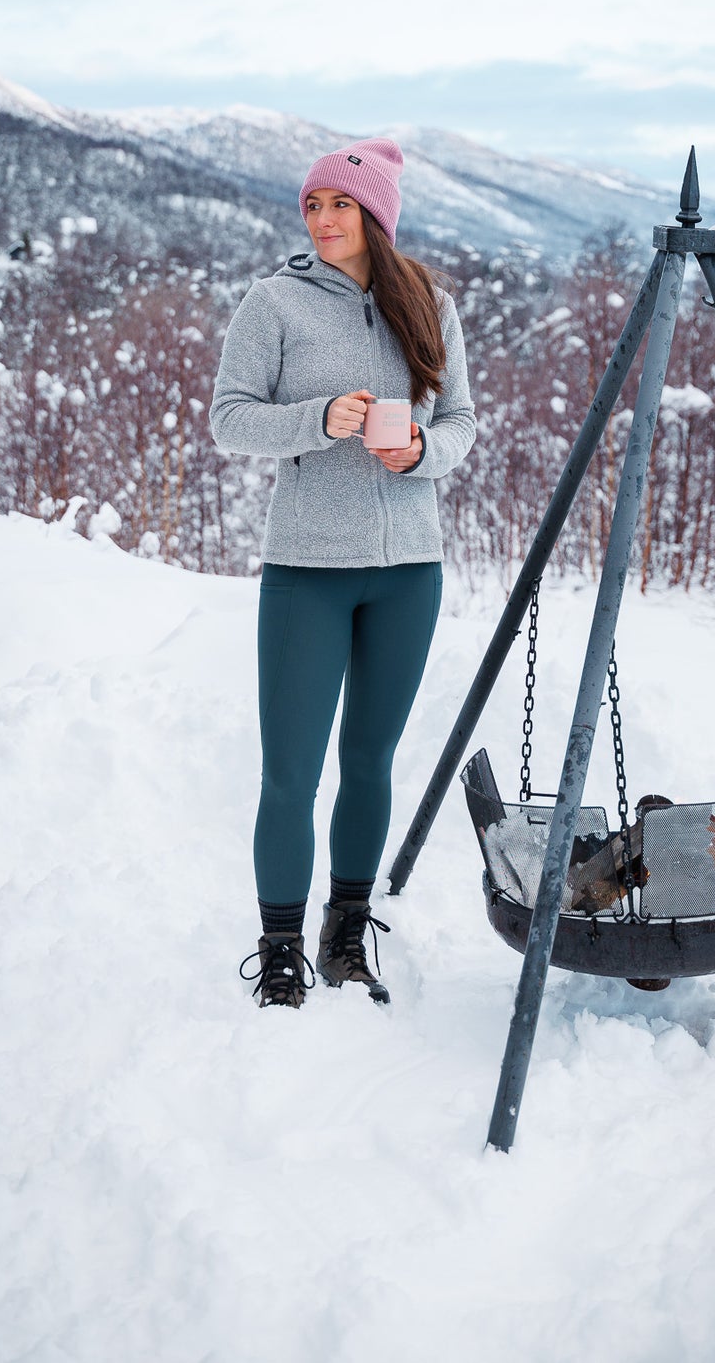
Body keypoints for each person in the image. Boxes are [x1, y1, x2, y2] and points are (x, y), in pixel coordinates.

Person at [209, 138, 477, 1008]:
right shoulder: (272, 303)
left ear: (376, 216)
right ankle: (280, 949)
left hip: (409, 571)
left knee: (370, 762)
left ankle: (346, 935)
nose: (322, 220)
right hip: (307, 571)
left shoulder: (429, 304)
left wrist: (422, 453)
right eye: (313, 206)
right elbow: (229, 421)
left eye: (340, 205)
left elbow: (465, 422)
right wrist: (318, 419)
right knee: (291, 768)